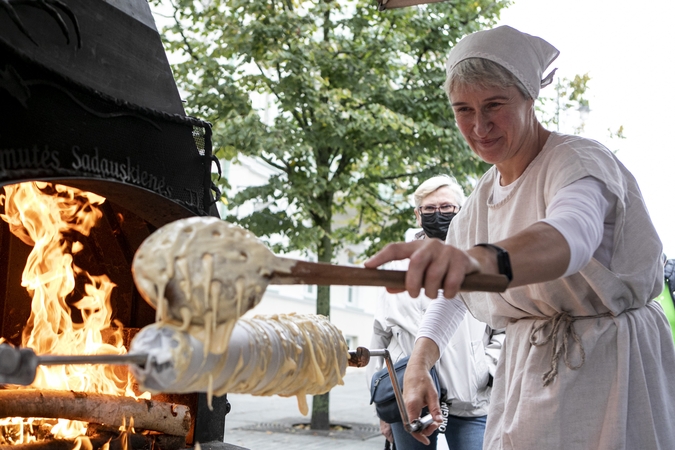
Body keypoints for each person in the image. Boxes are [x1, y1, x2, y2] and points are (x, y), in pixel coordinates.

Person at [364, 25, 675, 449]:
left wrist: (479, 261)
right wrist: (420, 359)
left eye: (495, 105)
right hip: (529, 368)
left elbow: (571, 234)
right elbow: (455, 292)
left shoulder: (576, 161)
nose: (479, 125)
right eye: (463, 109)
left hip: (610, 368)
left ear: (530, 98)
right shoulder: (482, 196)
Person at [366, 175, 502, 450]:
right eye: (429, 209)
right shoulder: (396, 267)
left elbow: (502, 326)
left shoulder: (478, 262)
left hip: (470, 399)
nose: (438, 214)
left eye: (447, 208)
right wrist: (382, 406)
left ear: (461, 212)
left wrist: (486, 370)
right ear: (418, 215)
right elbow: (380, 335)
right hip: (410, 397)